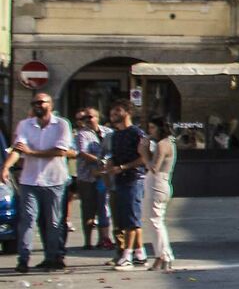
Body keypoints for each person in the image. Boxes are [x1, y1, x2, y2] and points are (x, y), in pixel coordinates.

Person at [13, 92, 79, 273]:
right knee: (27, 221)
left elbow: (60, 150)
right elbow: (18, 149)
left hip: (54, 180)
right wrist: (5, 168)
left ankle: (53, 258)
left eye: (41, 102)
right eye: (34, 103)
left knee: (53, 222)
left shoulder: (62, 124)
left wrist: (31, 153)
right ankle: (23, 259)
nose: (37, 106)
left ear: (50, 104)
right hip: (29, 180)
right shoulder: (25, 125)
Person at [103, 102, 148, 269]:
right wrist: (110, 164)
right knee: (127, 218)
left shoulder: (136, 133)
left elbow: (144, 158)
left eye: (117, 110)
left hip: (133, 178)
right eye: (112, 110)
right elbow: (113, 156)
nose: (113, 113)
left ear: (127, 112)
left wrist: (123, 167)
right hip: (119, 179)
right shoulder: (115, 135)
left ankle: (127, 256)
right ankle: (140, 253)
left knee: (131, 218)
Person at [68, 108, 111, 253]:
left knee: (104, 207)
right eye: (84, 117)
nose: (87, 120)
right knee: (88, 209)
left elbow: (112, 150)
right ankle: (88, 241)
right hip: (87, 177)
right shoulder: (82, 134)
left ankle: (103, 239)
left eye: (90, 117)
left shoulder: (107, 132)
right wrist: (101, 161)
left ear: (97, 117)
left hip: (104, 176)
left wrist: (107, 163)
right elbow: (83, 152)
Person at [140, 115, 178, 270]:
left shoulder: (163, 144)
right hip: (159, 183)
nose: (150, 131)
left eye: (153, 128)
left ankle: (163, 255)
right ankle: (162, 255)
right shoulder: (167, 143)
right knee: (155, 221)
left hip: (157, 183)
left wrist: (143, 152)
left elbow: (154, 167)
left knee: (155, 221)